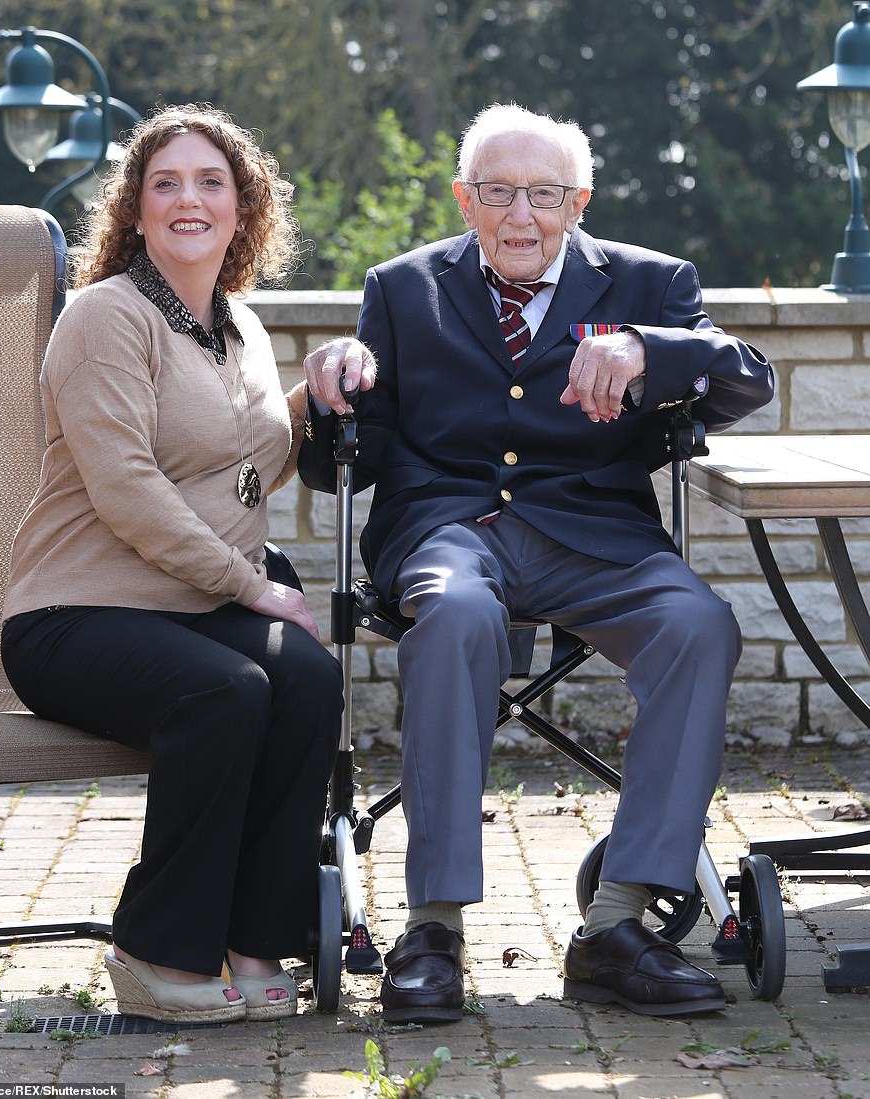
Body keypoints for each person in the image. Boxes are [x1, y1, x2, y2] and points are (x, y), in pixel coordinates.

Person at [299, 102, 773, 1023]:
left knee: (698, 623)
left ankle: (618, 925)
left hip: (598, 536)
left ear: (579, 200)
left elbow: (744, 374)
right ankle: (431, 927)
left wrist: (651, 350)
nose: (522, 217)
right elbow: (344, 456)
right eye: (499, 193)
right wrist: (334, 389)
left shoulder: (653, 282)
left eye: (545, 195)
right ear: (464, 198)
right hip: (447, 532)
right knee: (458, 611)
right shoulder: (402, 289)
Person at [0, 104, 342, 1024]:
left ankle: (254, 939)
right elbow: (131, 491)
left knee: (307, 678)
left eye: (210, 182)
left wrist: (321, 386)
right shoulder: (106, 318)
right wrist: (252, 584)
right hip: (72, 615)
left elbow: (245, 459)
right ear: (137, 212)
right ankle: (156, 950)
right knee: (224, 690)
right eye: (166, 183)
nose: (189, 199)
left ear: (243, 209)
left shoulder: (243, 329)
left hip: (188, 609)